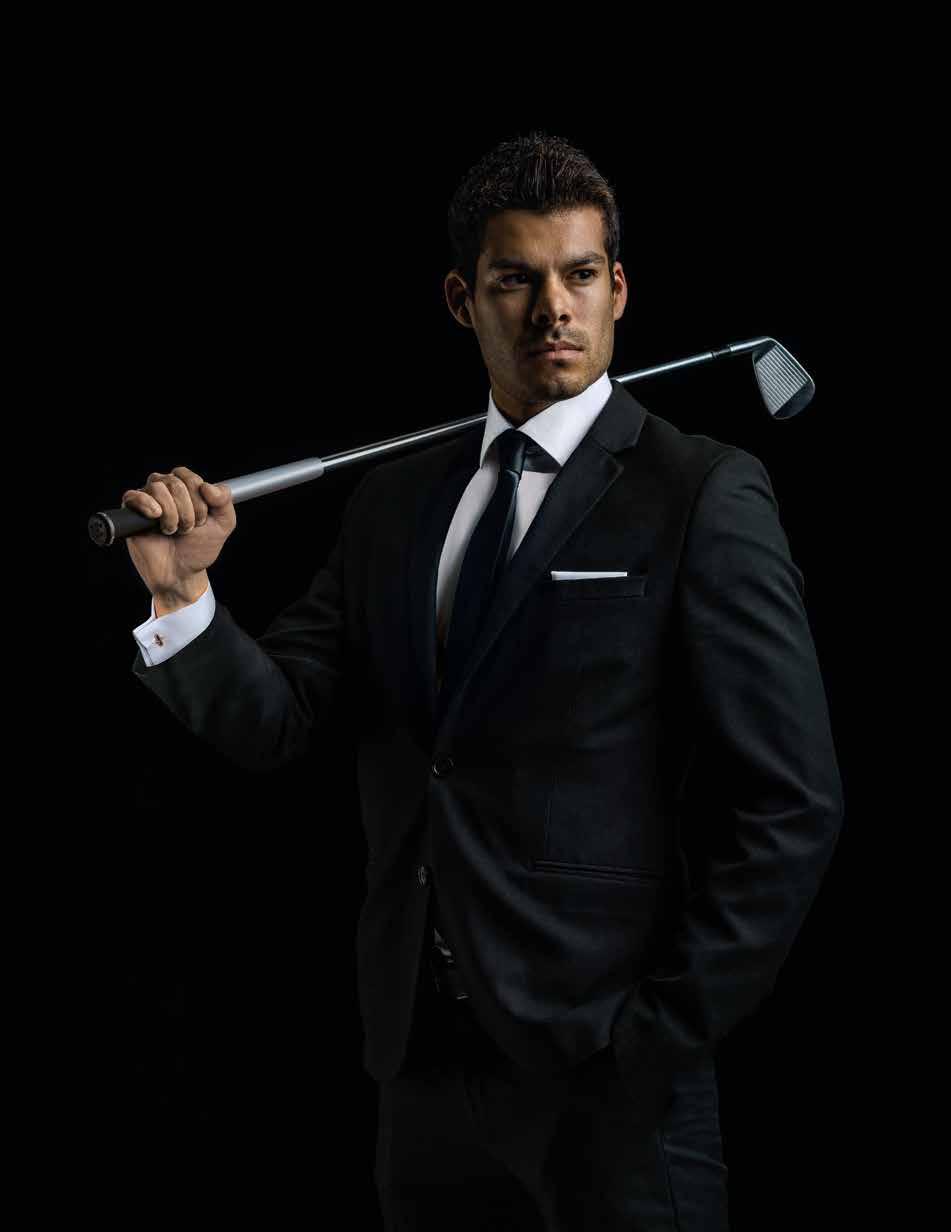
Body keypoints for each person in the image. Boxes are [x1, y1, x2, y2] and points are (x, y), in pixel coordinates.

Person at [121, 131, 844, 1229]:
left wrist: (657, 1036)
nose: (553, 309)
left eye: (580, 275)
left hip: (610, 1081)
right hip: (422, 1072)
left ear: (618, 290)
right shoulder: (395, 505)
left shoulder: (700, 492)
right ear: (464, 299)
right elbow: (281, 721)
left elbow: (791, 801)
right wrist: (184, 597)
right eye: (516, 279)